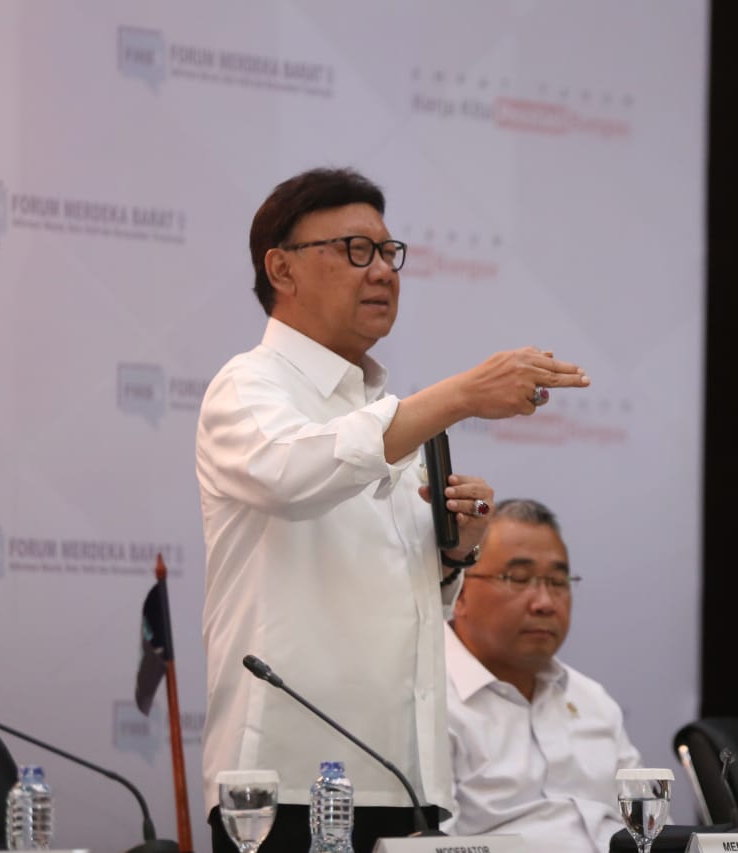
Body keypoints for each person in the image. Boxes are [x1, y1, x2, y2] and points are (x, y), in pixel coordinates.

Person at [196, 167, 590, 852]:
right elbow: (291, 475)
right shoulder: (247, 385)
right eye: (355, 250)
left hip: (405, 780)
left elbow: (412, 603)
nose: (381, 270)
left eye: (387, 251)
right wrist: (460, 395)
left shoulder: (386, 412)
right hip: (284, 786)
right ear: (282, 268)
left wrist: (455, 552)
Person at [441, 498, 643, 852]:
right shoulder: (429, 701)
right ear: (459, 592)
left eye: (558, 581)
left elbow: (652, 830)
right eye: (518, 579)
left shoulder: (592, 701)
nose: (545, 603)